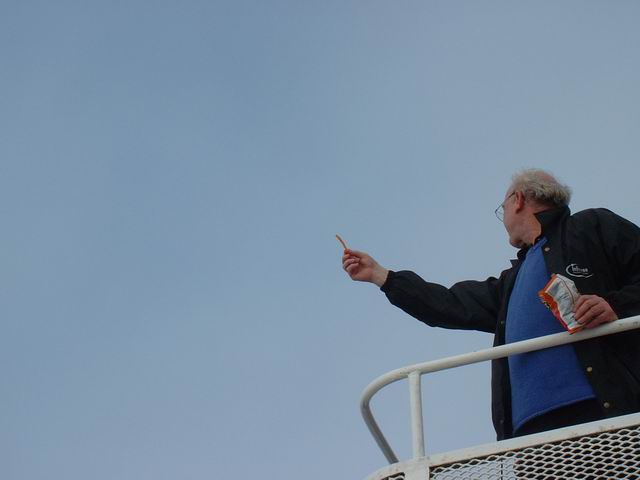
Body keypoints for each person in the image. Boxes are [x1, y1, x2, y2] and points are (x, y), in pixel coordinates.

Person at [342, 169, 640, 440]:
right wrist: (381, 276)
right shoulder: (511, 282)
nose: (504, 217)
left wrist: (615, 306)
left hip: (607, 410)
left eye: (502, 208)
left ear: (518, 200)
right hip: (530, 433)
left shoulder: (591, 226)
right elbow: (451, 304)